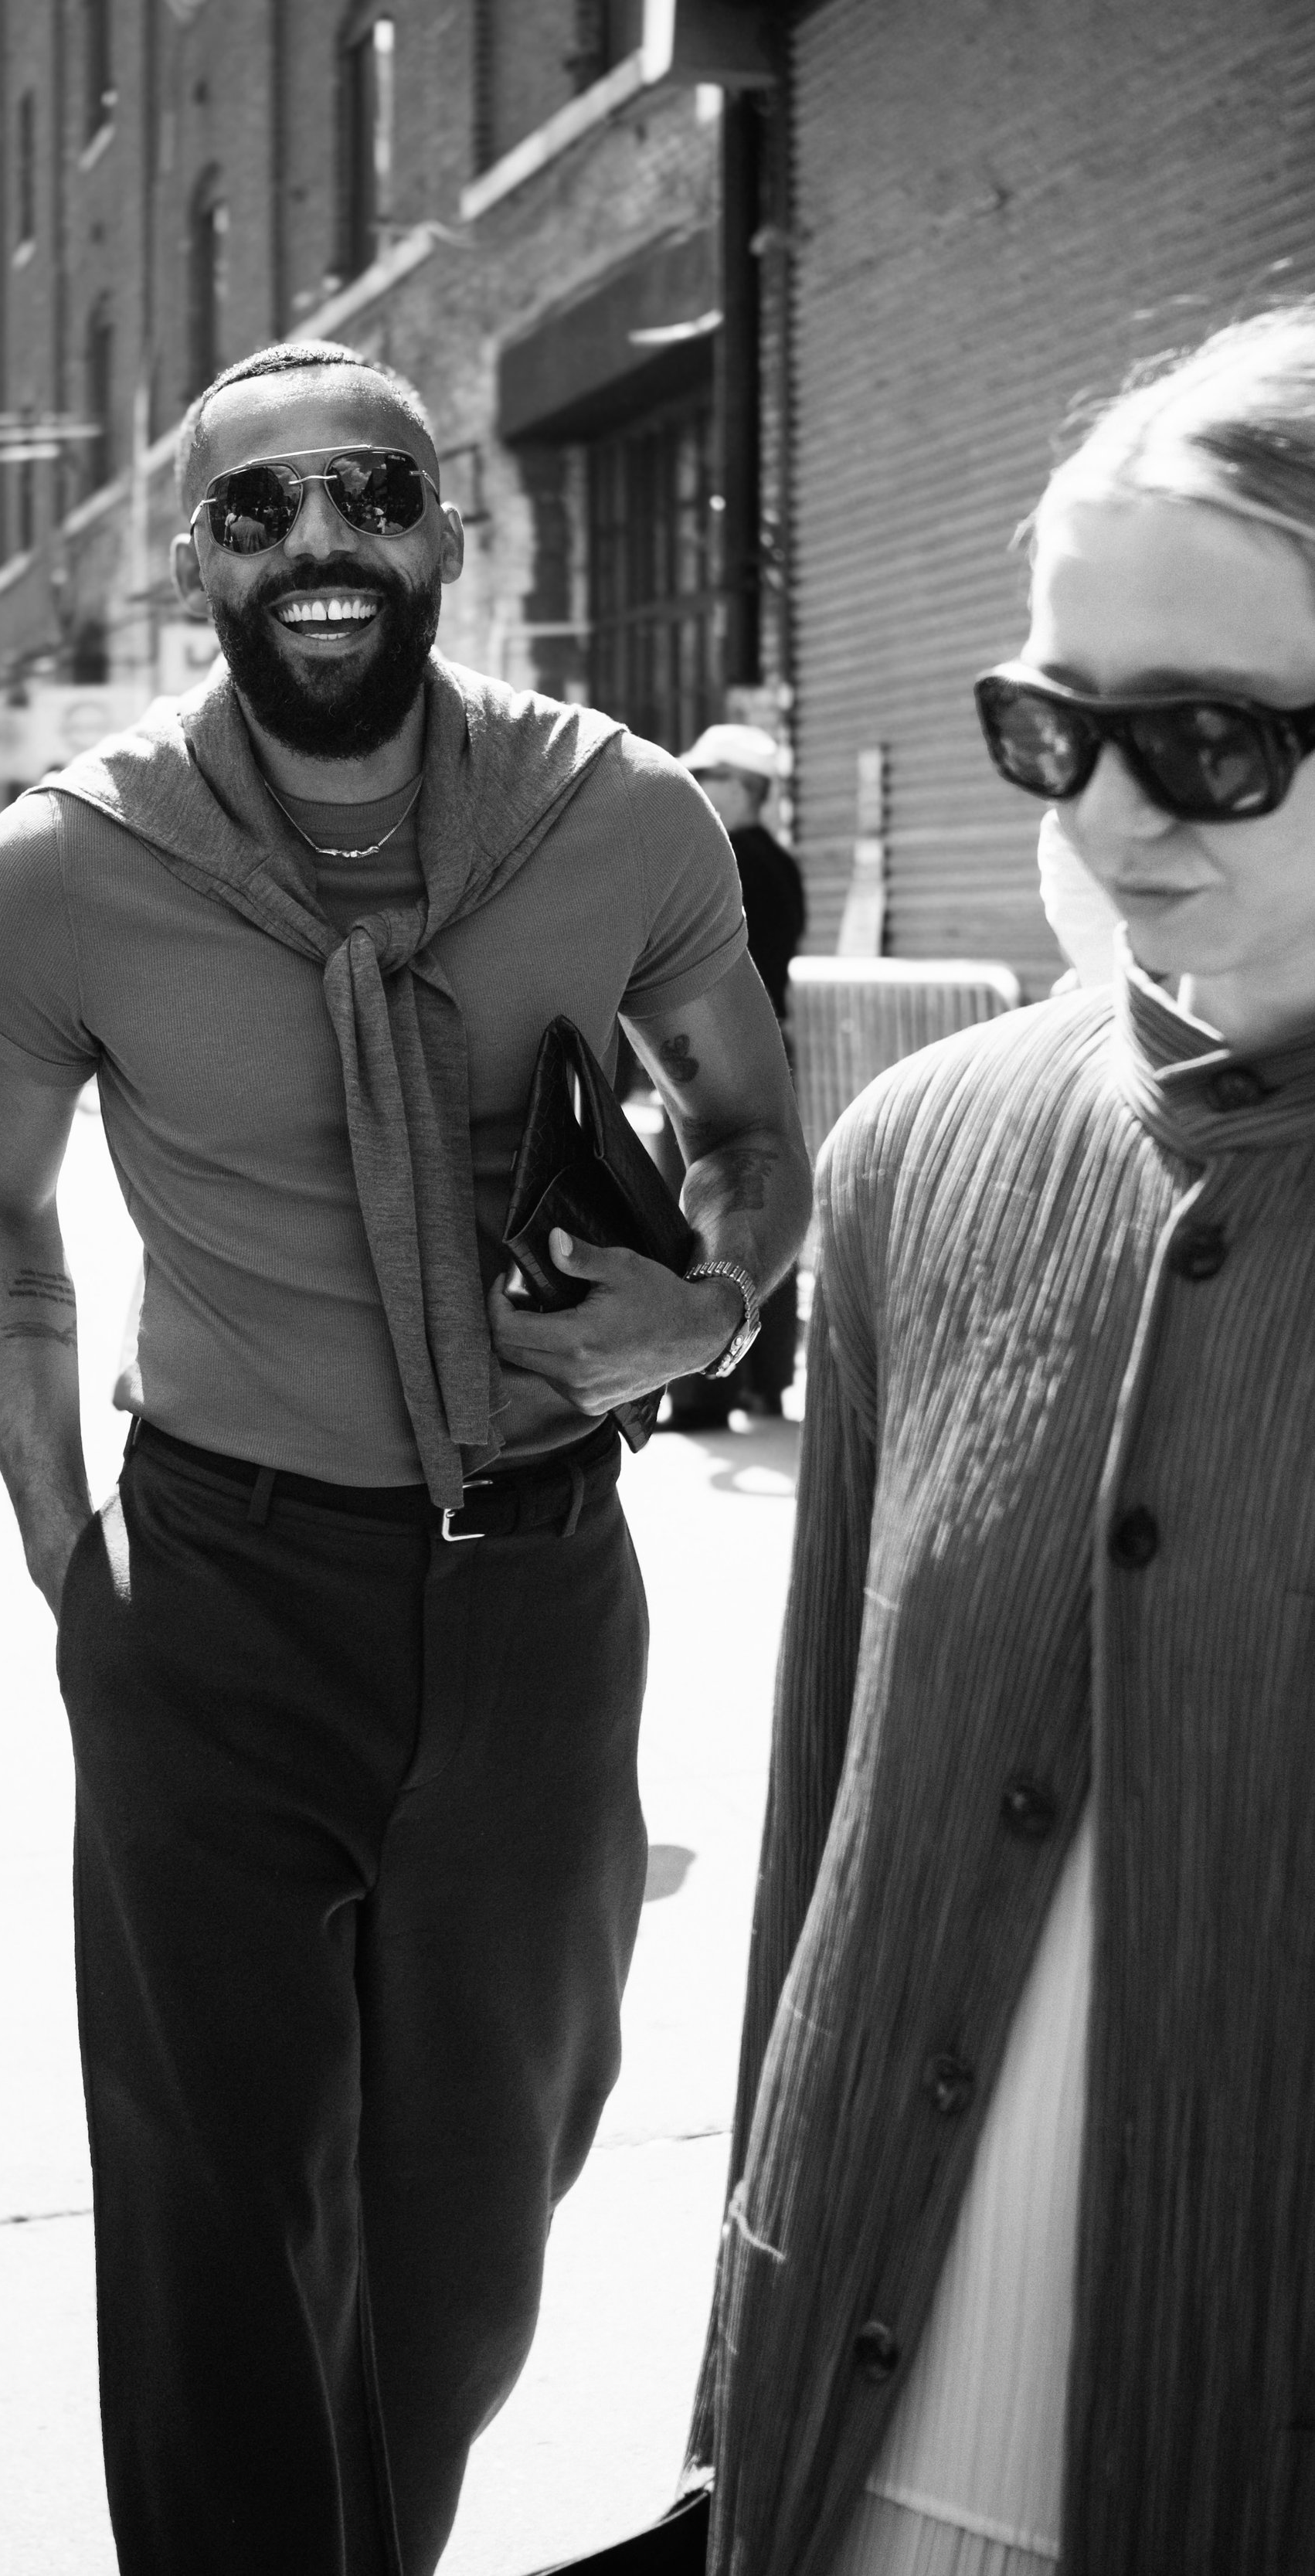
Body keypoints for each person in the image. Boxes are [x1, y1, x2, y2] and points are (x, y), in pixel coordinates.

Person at [0, 338, 809, 2575]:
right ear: (191, 561)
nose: (318, 545)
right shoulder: (64, 867)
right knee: (217, 2204)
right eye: (260, 509)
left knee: (482, 2180)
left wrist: (705, 1302)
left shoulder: (615, 816)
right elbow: (7, 1230)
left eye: (371, 495)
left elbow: (746, 1134)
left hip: (534, 1588)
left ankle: (374, 2535)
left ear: (454, 531)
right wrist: (75, 1577)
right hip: (214, 1586)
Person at [691, 301, 1315, 2576]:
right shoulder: (922, 1155)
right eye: (1052, 727)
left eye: (1210, 743)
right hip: (848, 2425)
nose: (1105, 815)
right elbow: (818, 1831)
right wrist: (727, 2374)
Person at [668, 721, 807, 1427]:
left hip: (720, 1056)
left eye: (710, 774)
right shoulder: (777, 860)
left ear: (746, 788)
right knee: (767, 1212)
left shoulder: (733, 859)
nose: (697, 784)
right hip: (760, 1052)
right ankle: (765, 1380)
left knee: (711, 1209)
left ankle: (702, 1388)